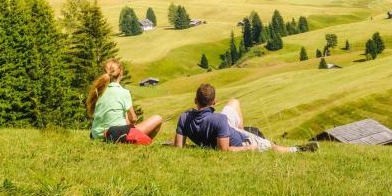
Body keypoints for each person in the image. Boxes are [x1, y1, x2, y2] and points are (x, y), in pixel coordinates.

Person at [173, 83, 315, 153]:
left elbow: (179, 147)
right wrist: (249, 149)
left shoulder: (184, 117)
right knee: (270, 146)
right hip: (240, 141)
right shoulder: (219, 120)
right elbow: (225, 150)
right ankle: (296, 150)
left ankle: (241, 129)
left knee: (234, 102)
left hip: (221, 126)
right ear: (214, 102)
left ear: (195, 100)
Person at [87, 59, 163, 144]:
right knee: (158, 118)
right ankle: (142, 143)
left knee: (124, 118)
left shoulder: (98, 92)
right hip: (116, 135)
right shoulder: (123, 92)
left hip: (96, 135)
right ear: (121, 74)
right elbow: (133, 119)